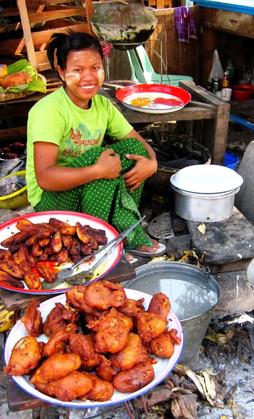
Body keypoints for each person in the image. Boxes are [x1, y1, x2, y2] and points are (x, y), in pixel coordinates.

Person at [26, 32, 165, 256]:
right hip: (51, 201)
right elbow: (45, 178)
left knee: (132, 151)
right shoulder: (48, 111)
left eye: (95, 67)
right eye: (77, 70)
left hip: (87, 189)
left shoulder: (103, 105)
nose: (88, 77)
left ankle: (121, 228)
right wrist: (97, 170)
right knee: (100, 158)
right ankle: (99, 244)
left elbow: (138, 143)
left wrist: (152, 163)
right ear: (62, 72)